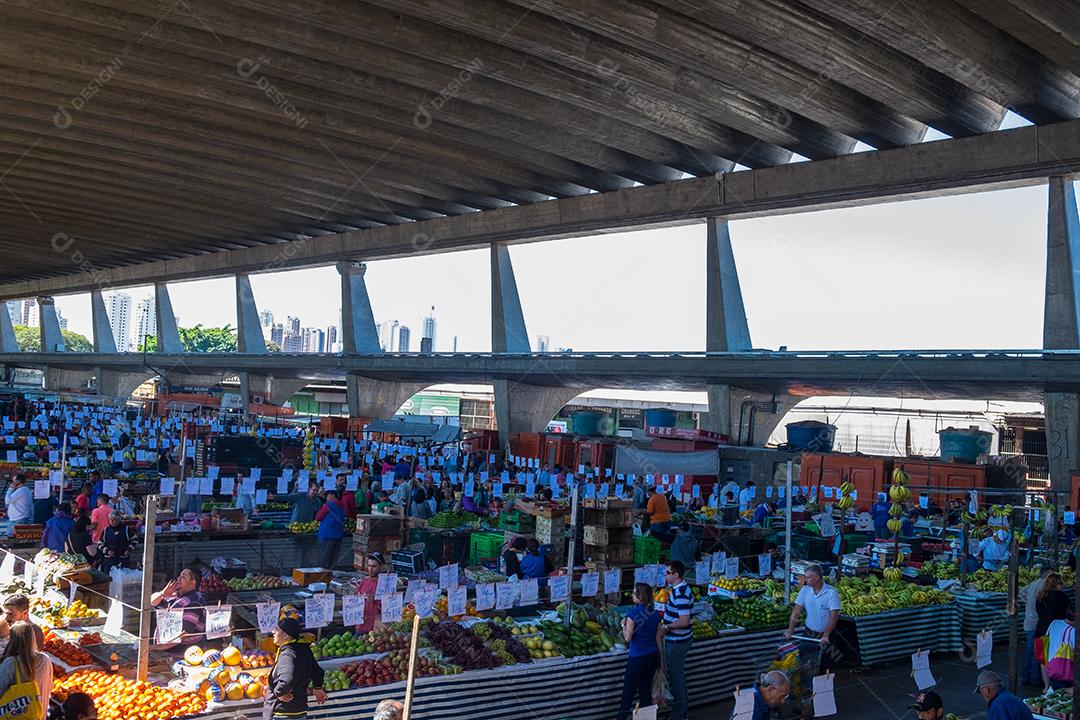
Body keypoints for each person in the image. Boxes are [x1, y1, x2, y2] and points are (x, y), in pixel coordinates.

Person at [615, 583, 665, 720]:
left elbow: (627, 638)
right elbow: (658, 639)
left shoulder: (632, 614)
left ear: (640, 596)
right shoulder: (656, 614)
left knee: (628, 694)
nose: (632, 595)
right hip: (653, 656)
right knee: (645, 692)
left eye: (634, 593)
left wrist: (623, 625)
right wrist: (661, 661)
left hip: (637, 659)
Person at [784, 563, 842, 676]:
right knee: (806, 662)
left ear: (817, 577)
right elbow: (796, 611)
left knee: (827, 664)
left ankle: (825, 683)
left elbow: (834, 616)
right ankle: (807, 683)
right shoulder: (804, 591)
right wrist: (790, 630)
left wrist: (826, 635)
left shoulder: (831, 592)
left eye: (807, 577)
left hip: (827, 634)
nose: (805, 580)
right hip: (810, 633)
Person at [267, 617, 326, 719]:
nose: (273, 632)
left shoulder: (287, 654)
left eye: (276, 629)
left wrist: (278, 692)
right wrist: (318, 687)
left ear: (286, 635)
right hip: (300, 710)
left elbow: (287, 679)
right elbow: (317, 672)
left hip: (284, 712)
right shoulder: (304, 649)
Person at [660, 561, 693, 720]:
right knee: (676, 677)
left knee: (676, 678)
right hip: (677, 639)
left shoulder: (680, 593)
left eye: (667, 572)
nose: (665, 575)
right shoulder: (679, 589)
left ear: (676, 574)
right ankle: (680, 713)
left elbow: (684, 621)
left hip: (677, 642)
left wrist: (666, 627)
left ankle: (679, 715)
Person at [0, 621, 52, 715]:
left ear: (12, 639)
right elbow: (48, 687)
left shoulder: (11, 663)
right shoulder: (45, 660)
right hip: (38, 713)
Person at [149, 566, 205, 642]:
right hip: (166, 643)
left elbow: (184, 633)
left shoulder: (195, 601)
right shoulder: (174, 595)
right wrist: (163, 593)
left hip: (185, 648)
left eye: (183, 577)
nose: (178, 578)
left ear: (193, 582)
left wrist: (158, 647)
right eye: (179, 576)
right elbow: (152, 601)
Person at [1021, 567, 1054, 686]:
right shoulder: (1044, 586)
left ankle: (1026, 676)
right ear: (1048, 574)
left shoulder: (1033, 583)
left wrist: (1028, 604)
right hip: (1036, 622)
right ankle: (1035, 678)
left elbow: (1021, 592)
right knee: (1036, 651)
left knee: (1029, 650)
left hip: (1029, 621)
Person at [354, 553, 386, 634]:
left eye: (374, 566)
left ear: (381, 567)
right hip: (361, 625)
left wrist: (375, 600)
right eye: (369, 565)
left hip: (376, 628)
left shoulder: (386, 584)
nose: (370, 569)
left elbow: (389, 606)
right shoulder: (364, 582)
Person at [315, 490, 346, 570]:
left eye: (327, 496)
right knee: (334, 559)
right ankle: (332, 575)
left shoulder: (328, 505)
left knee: (323, 558)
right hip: (338, 535)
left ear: (333, 495)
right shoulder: (342, 506)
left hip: (327, 534)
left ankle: (321, 575)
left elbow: (318, 517)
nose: (326, 498)